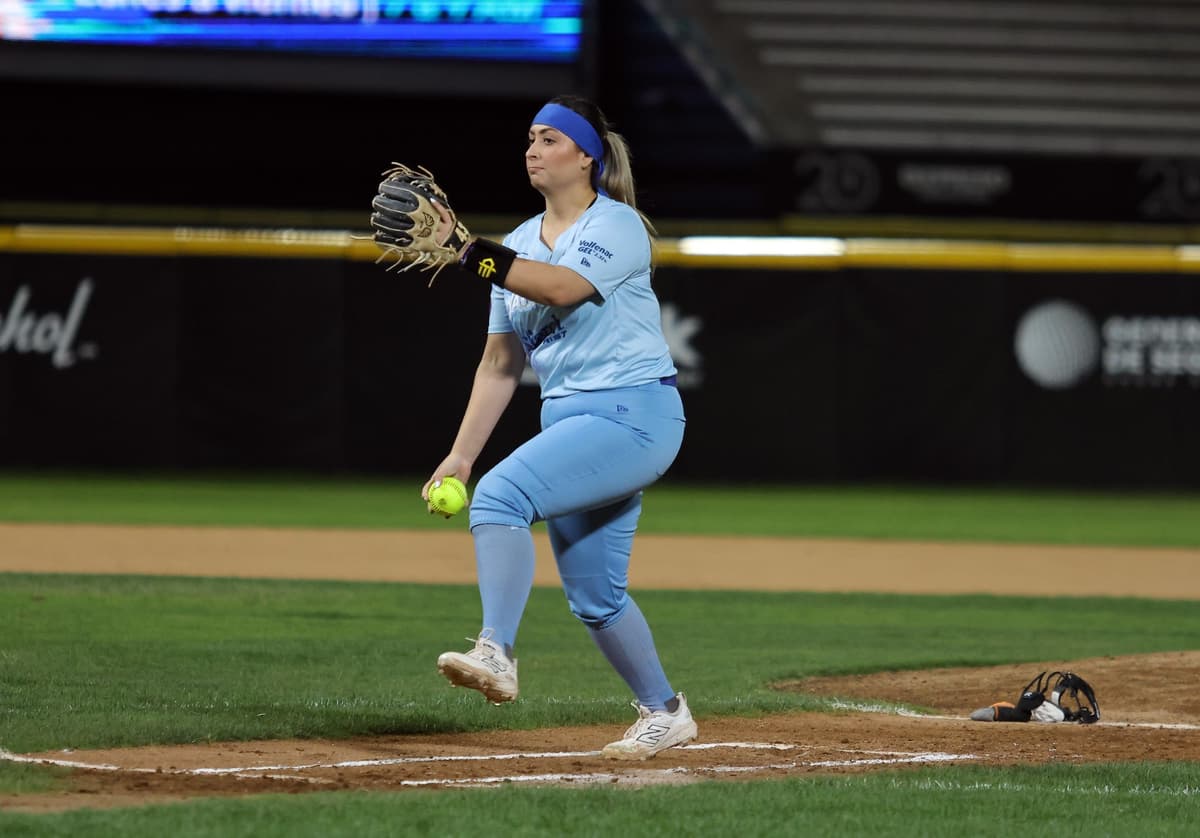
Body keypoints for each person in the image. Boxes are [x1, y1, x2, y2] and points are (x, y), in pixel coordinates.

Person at [422, 94, 696, 760]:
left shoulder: (619, 224)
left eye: (549, 139)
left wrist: (466, 251)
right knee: (597, 597)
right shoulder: (514, 243)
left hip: (634, 416)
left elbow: (561, 289)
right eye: (529, 139)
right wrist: (460, 455)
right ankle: (665, 712)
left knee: (501, 498)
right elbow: (499, 363)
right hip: (571, 421)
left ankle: (497, 650)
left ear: (586, 156)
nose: (533, 149)